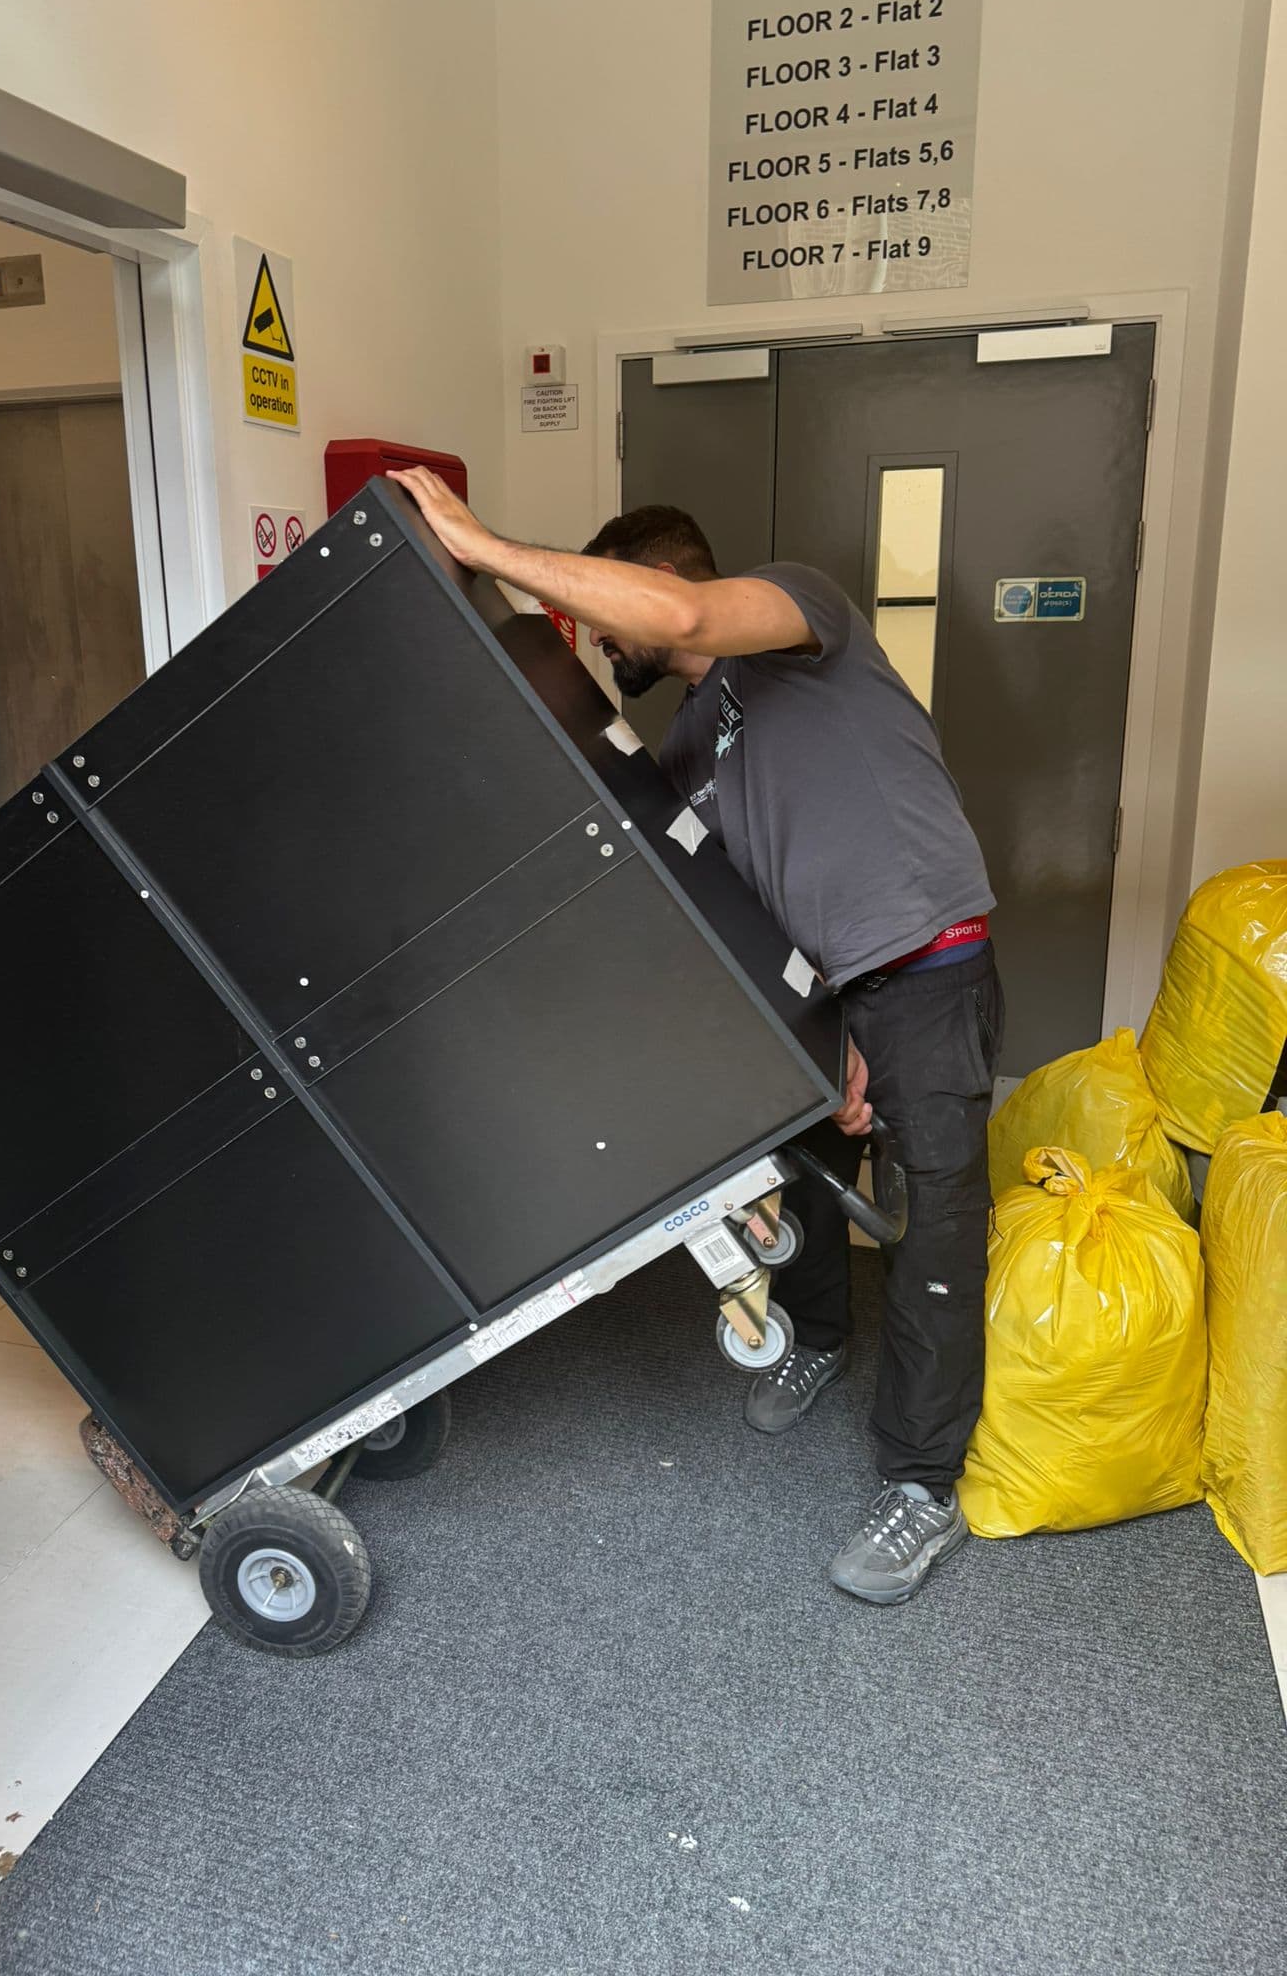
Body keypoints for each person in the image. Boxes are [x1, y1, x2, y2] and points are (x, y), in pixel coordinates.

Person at [388, 467, 1003, 1607]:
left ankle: (922, 1484)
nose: (606, 643)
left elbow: (678, 618)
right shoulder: (690, 743)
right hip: (832, 986)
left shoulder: (797, 614)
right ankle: (819, 1331)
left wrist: (485, 543)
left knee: (936, 1226)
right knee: (810, 1176)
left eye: (608, 615)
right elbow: (713, 892)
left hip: (927, 962)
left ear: (656, 579)